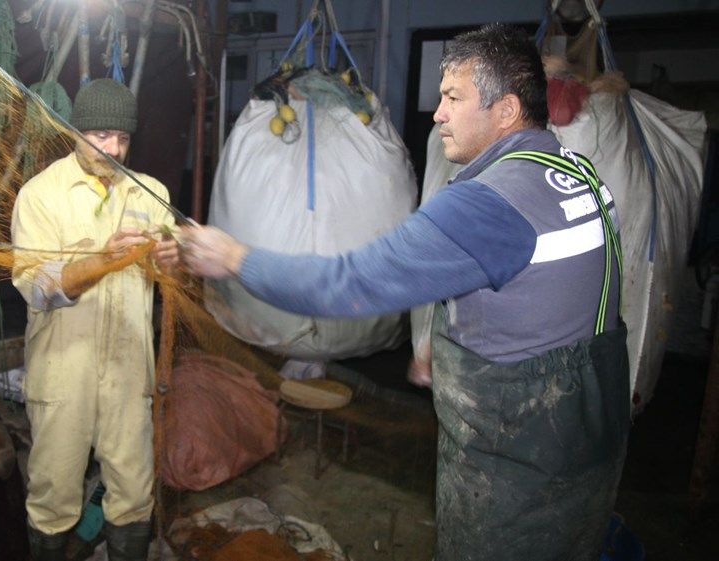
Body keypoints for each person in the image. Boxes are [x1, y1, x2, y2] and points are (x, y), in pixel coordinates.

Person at [182, 24, 630, 561]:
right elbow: (533, 288)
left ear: (506, 110)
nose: (437, 113)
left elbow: (347, 283)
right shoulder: (577, 173)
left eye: (453, 98)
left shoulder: (485, 204)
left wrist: (233, 257)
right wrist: (447, 345)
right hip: (593, 442)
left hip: (518, 469)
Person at [11, 78, 178, 561]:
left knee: (133, 491)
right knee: (53, 491)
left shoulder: (152, 193)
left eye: (122, 138)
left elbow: (174, 277)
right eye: (101, 135)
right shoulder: (41, 195)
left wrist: (174, 258)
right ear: (75, 131)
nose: (113, 148)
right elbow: (36, 287)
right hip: (64, 369)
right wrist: (102, 260)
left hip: (129, 371)